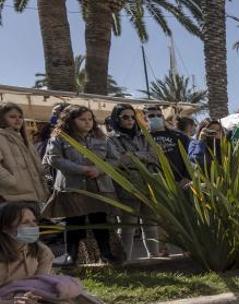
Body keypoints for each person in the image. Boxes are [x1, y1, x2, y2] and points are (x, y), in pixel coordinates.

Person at [42, 105, 120, 265]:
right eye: (82, 119)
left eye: (90, 119)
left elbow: (115, 159)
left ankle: (106, 253)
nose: (87, 122)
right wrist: (81, 169)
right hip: (73, 186)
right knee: (74, 221)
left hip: (98, 185)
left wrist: (99, 169)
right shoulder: (59, 137)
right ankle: (71, 255)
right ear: (70, 120)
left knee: (100, 219)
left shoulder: (102, 138)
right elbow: (54, 159)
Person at [106, 104, 161, 260]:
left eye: (132, 117)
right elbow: (118, 161)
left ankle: (155, 257)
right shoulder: (111, 138)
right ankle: (125, 261)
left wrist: (133, 155)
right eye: (125, 117)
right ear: (117, 118)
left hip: (149, 184)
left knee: (150, 223)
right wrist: (141, 156)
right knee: (127, 226)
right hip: (127, 185)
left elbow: (154, 157)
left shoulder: (144, 135)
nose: (130, 120)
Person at [0, 103, 50, 207]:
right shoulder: (1, 138)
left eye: (20, 117)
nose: (18, 120)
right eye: (12, 117)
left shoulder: (25, 139)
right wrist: (12, 182)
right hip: (12, 195)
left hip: (33, 194)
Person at [144, 106, 192, 186]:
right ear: (145, 119)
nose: (156, 118)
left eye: (159, 115)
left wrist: (187, 177)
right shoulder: (143, 138)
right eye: (151, 116)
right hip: (159, 184)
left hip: (182, 182)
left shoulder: (179, 136)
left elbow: (189, 157)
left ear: (163, 117)